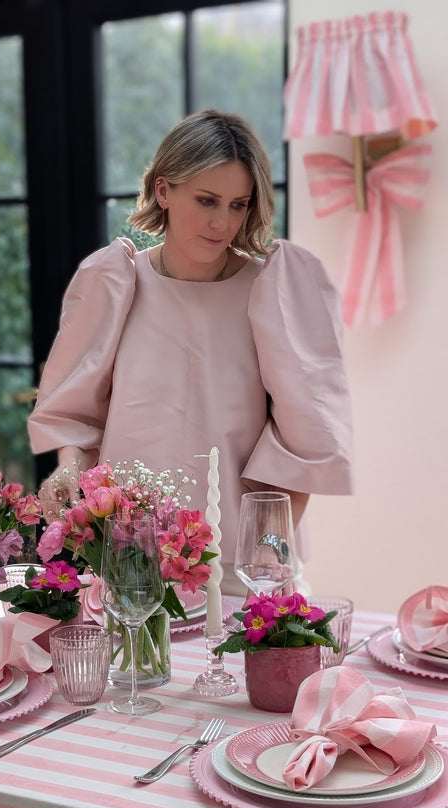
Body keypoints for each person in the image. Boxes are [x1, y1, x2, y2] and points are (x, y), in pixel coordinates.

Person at [27, 109, 353, 595]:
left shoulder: (271, 290)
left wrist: (267, 550)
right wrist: (68, 468)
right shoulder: (115, 283)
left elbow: (303, 441)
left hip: (246, 563)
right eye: (207, 200)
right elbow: (76, 416)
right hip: (129, 556)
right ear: (164, 190)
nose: (222, 222)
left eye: (238, 205)